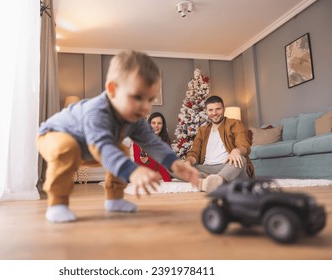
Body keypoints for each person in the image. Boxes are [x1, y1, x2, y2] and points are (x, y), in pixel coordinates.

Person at [37, 50, 200, 223]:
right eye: (137, 97)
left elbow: (153, 143)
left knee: (121, 149)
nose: (145, 107)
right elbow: (102, 146)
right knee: (67, 147)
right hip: (54, 135)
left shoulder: (135, 118)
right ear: (112, 89)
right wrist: (132, 171)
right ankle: (57, 203)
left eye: (150, 99)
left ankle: (114, 199)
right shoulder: (97, 112)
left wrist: (174, 163)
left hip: (89, 147)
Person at [184, 95, 254, 193]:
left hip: (229, 166)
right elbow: (194, 153)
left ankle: (216, 181)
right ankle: (209, 179)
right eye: (210, 110)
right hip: (207, 168)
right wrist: (188, 162)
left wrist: (236, 151)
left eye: (218, 109)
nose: (214, 113)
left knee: (240, 159)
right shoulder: (203, 130)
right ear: (206, 111)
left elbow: (244, 145)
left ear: (223, 109)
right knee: (174, 166)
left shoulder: (234, 123)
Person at [133, 112, 172, 182]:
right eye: (153, 123)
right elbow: (138, 165)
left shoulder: (165, 141)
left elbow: (164, 165)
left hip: (160, 176)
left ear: (163, 126)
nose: (156, 126)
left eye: (159, 123)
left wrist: (167, 181)